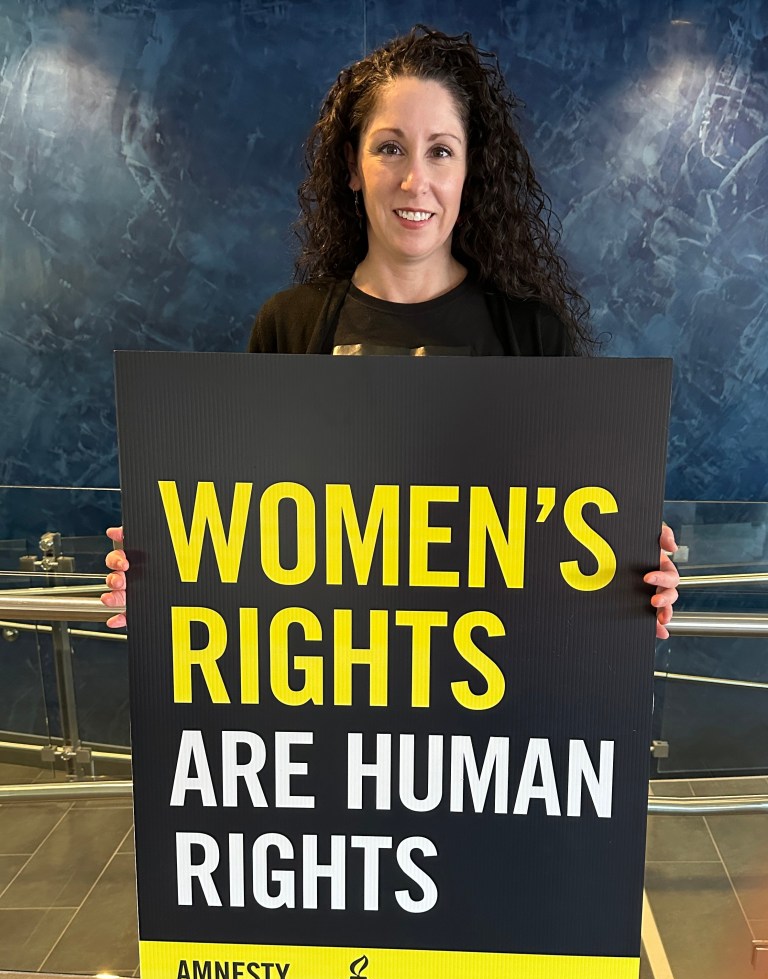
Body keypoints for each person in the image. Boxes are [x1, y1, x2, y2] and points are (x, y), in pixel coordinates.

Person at [102, 25, 679, 632]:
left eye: (441, 151)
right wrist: (163, 576)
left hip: (496, 669)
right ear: (352, 166)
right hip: (333, 661)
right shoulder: (290, 326)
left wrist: (629, 580)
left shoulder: (534, 333)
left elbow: (572, 531)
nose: (415, 181)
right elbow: (242, 532)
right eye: (390, 148)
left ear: (469, 171)